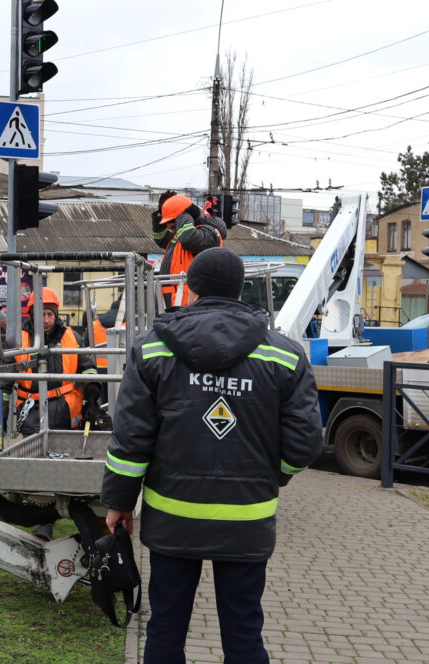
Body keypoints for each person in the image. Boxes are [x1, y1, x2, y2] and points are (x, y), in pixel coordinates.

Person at [100, 247, 322, 664]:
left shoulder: (152, 352)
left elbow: (130, 440)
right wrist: (274, 476)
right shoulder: (285, 356)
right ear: (242, 289)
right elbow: (306, 444)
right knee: (243, 634)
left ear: (189, 287)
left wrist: (118, 502)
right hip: (248, 517)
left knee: (164, 630)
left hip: (172, 519)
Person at [13, 287, 100, 540]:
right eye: (41, 314)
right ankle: (44, 520)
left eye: (50, 314)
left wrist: (93, 394)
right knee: (39, 466)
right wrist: (5, 409)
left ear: (56, 314)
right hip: (31, 412)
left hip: (65, 410)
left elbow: (88, 367)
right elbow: (7, 379)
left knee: (65, 466)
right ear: (32, 315)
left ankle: (71, 511)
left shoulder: (72, 336)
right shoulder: (20, 339)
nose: (46, 319)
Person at [151, 193, 228, 308]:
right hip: (173, 303)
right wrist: (160, 215)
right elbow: (160, 239)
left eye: (173, 226)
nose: (172, 230)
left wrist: (184, 215)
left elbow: (189, 240)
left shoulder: (209, 233)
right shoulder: (180, 234)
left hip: (193, 306)